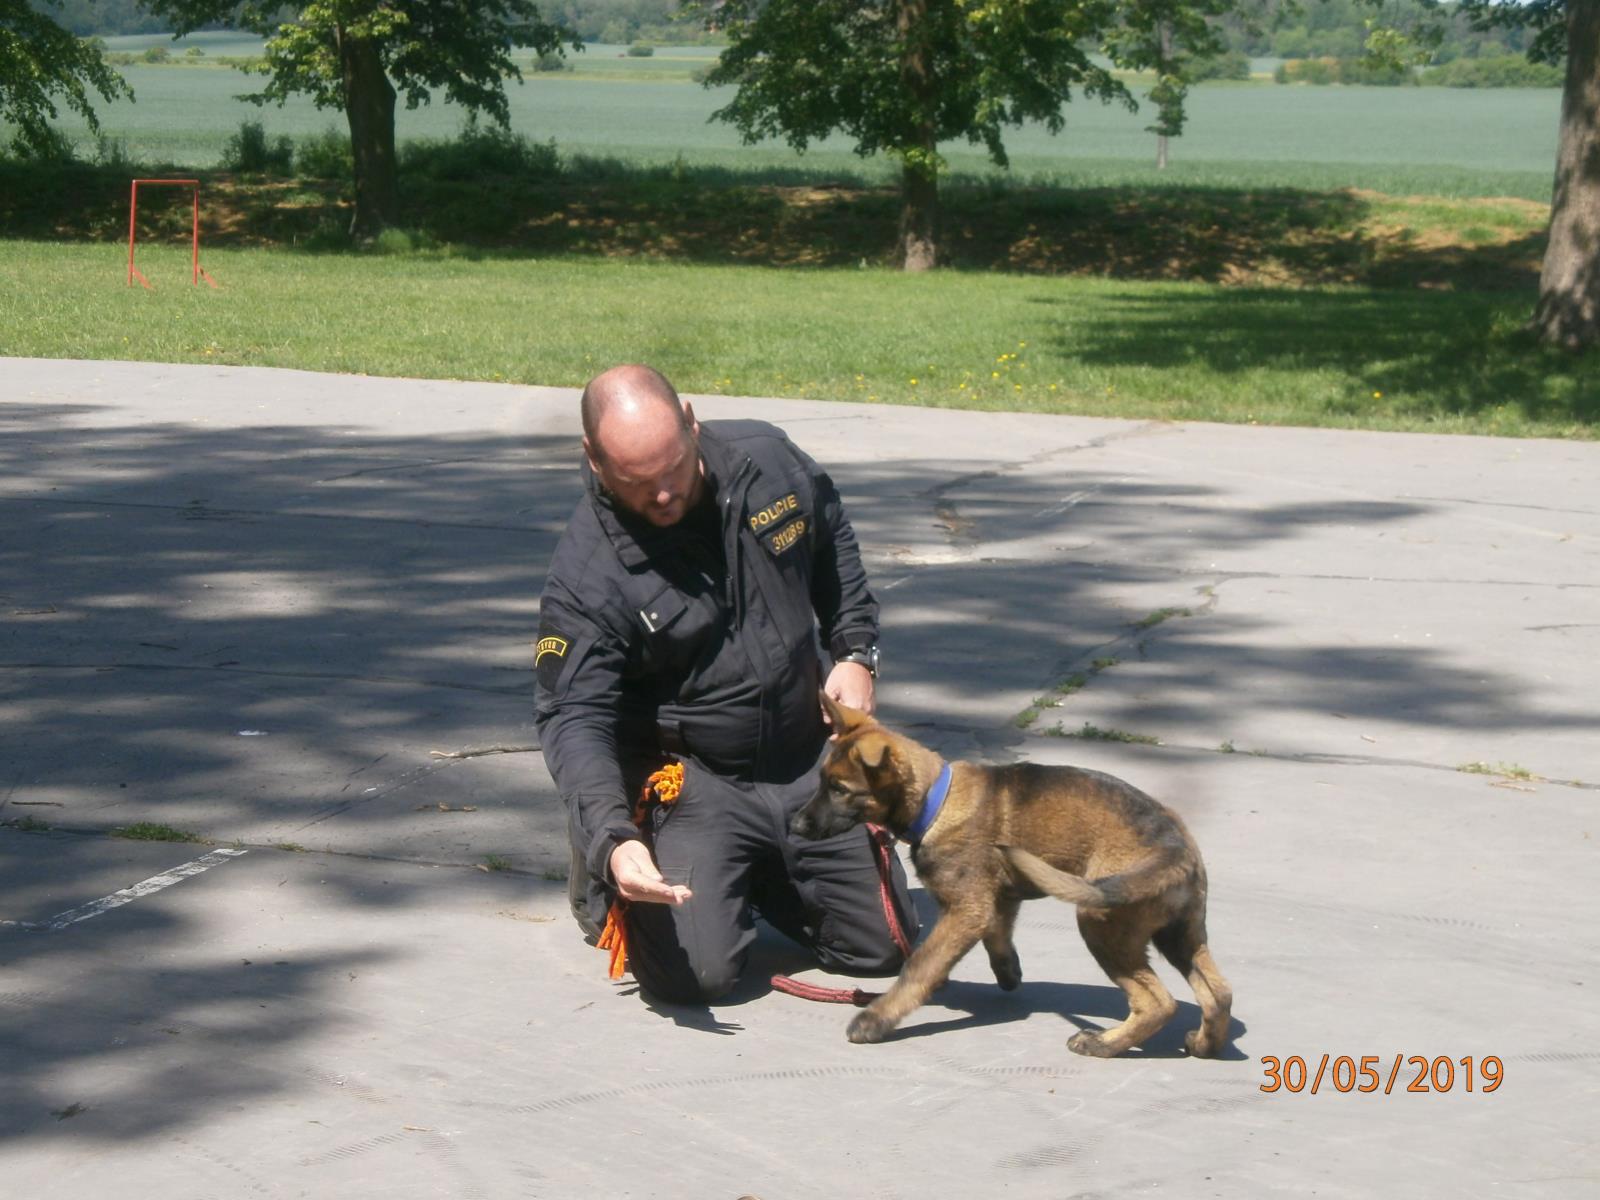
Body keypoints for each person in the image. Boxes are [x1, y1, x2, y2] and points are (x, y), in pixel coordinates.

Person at [534, 364, 917, 1004]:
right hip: (694, 781)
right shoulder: (587, 573)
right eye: (638, 482)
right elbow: (572, 717)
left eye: (674, 471)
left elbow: (833, 539)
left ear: (691, 421)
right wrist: (611, 835)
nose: (662, 496)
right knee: (699, 977)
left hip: (800, 759)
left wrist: (854, 652)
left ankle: (758, 872)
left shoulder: (769, 462)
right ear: (594, 461)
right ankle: (612, 878)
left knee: (884, 948)